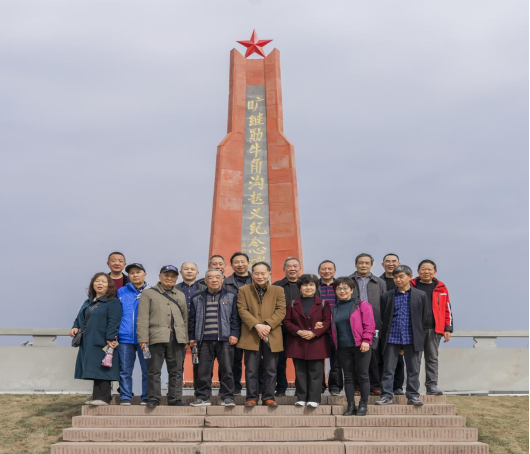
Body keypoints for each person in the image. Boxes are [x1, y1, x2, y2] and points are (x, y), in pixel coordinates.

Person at [137, 265, 188, 408]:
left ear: (176, 278)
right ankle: (153, 398)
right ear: (160, 277)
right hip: (155, 337)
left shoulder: (180, 295)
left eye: (173, 276)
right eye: (166, 275)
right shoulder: (148, 294)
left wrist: (185, 338)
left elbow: (185, 318)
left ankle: (175, 399)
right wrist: (143, 339)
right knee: (153, 370)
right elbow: (142, 318)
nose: (169, 278)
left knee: (177, 370)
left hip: (177, 338)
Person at [376, 265, 428, 407]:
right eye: (395, 277)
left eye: (401, 277)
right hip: (391, 337)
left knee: (413, 369)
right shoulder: (387, 296)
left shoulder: (420, 295)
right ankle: (386, 395)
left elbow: (423, 317)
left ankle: (413, 396)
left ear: (410, 277)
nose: (398, 280)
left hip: (412, 337)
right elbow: (383, 316)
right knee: (388, 369)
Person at [188, 269, 241, 406]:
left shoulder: (231, 296)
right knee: (203, 371)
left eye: (217, 277)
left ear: (222, 279)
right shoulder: (197, 298)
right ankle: (202, 397)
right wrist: (192, 337)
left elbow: (235, 318)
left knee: (227, 370)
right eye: (210, 277)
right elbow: (192, 320)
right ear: (205, 281)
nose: (214, 280)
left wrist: (234, 334)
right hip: (203, 340)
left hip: (225, 339)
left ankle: (227, 397)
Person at [237, 262, 286, 407]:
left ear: (269, 274)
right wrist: (257, 325)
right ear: (252, 274)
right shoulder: (244, 290)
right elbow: (242, 310)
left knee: (271, 368)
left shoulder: (278, 290)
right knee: (251, 368)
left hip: (272, 333)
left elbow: (281, 310)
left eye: (263, 273)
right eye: (256, 273)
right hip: (251, 333)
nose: (260, 276)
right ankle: (251, 397)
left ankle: (269, 397)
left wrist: (268, 325)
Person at [70, 272, 122, 406]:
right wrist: (75, 326)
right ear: (92, 284)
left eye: (104, 282)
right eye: (97, 281)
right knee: (94, 367)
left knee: (103, 367)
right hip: (88, 339)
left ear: (109, 285)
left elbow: (114, 320)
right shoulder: (88, 301)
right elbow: (79, 317)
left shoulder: (113, 302)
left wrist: (110, 337)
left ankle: (103, 398)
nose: (100, 284)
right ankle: (97, 397)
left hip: (103, 339)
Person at [283, 274, 331, 407]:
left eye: (311, 285)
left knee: (316, 372)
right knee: (300, 371)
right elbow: (287, 321)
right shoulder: (292, 304)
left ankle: (314, 399)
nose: (308, 288)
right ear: (300, 287)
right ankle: (301, 397)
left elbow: (327, 321)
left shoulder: (323, 303)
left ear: (316, 287)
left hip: (317, 342)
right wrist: (298, 331)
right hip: (298, 341)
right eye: (305, 285)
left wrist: (314, 333)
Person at [330, 277, 375, 416]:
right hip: (343, 347)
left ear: (352, 289)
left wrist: (366, 340)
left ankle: (363, 404)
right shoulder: (334, 308)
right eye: (339, 288)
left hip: (361, 345)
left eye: (345, 288)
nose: (342, 291)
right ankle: (350, 405)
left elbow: (369, 324)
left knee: (363, 375)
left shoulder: (362, 305)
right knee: (348, 377)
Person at [412, 259, 453, 396]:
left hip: (434, 328)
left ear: (435, 272)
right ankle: (413, 387)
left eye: (429, 269)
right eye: (423, 269)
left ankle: (432, 386)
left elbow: (447, 308)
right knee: (415, 359)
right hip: (415, 328)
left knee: (432, 358)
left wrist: (448, 328)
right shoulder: (411, 285)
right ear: (418, 271)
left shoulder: (441, 288)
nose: (426, 272)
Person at [350, 253, 386, 395]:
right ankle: (357, 387)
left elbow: (384, 303)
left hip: (374, 323)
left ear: (371, 265)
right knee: (355, 356)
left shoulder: (380, 282)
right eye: (360, 262)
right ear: (355, 265)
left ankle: (375, 385)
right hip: (353, 324)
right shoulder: (348, 281)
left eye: (366, 263)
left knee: (373, 356)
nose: (363, 265)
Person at [117, 263, 150, 405]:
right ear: (128, 276)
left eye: (138, 272)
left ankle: (146, 397)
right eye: (131, 273)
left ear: (145, 274)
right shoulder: (121, 292)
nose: (135, 275)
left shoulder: (152, 291)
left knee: (147, 369)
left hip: (146, 339)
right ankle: (125, 397)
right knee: (125, 370)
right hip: (125, 337)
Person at [222, 252, 253, 395]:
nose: (240, 264)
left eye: (243, 261)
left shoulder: (257, 279)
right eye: (236, 262)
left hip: (253, 325)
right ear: (232, 265)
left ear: (248, 263)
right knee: (234, 359)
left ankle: (256, 388)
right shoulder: (226, 283)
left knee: (254, 359)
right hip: (232, 325)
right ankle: (234, 387)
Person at [272, 257, 302, 397]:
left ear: (299, 268)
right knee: (279, 360)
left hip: (301, 330)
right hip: (281, 329)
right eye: (289, 266)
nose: (292, 269)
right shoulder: (276, 286)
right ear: (284, 269)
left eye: (295, 266)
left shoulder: (306, 285)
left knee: (300, 360)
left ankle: (301, 389)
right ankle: (281, 388)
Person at [379, 253, 405, 396]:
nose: (391, 264)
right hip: (382, 324)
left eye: (394, 261)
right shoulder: (378, 281)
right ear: (382, 264)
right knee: (381, 357)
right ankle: (381, 386)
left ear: (398, 263)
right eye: (387, 261)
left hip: (399, 326)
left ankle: (398, 386)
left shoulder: (404, 281)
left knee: (399, 358)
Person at [318, 260, 342, 396]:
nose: (326, 271)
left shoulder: (340, 286)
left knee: (336, 359)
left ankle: (335, 386)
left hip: (336, 327)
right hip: (319, 327)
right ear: (319, 271)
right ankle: (319, 385)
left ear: (334, 271)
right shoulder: (314, 286)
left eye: (329, 269)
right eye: (323, 269)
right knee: (318, 359)